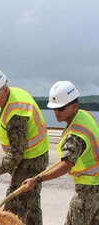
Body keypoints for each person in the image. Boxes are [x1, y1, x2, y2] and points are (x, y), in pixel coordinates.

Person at [0, 68, 49, 225]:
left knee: (12, 210)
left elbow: (17, 152)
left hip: (30, 161)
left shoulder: (16, 113)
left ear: (4, 89)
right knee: (32, 205)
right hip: (35, 156)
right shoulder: (13, 94)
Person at [22, 81, 99, 225]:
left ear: (74, 106)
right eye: (54, 108)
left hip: (87, 190)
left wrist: (37, 179)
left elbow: (66, 165)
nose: (56, 112)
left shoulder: (75, 135)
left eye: (61, 108)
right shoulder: (85, 116)